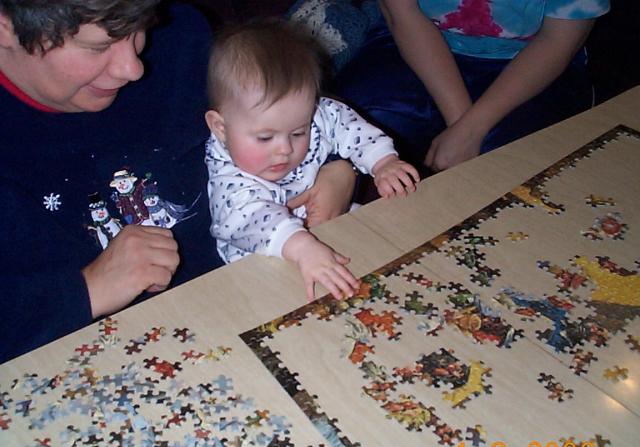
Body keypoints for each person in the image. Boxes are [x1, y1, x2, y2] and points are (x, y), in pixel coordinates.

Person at [0, 0, 356, 363]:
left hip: (267, 292)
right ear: (6, 27)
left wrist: (335, 168)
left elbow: (280, 110)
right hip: (116, 358)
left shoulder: (179, 36)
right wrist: (87, 290)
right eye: (98, 47)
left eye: (137, 30)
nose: (133, 68)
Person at [204, 19, 419, 301]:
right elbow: (248, 218)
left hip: (328, 228)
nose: (285, 149)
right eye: (265, 138)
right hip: (262, 262)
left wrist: (382, 162)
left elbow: (347, 126)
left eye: (298, 132)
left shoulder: (311, 116)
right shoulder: (227, 175)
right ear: (220, 128)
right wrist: (303, 247)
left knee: (394, 246)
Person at [331, 0, 611, 173]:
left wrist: (472, 128)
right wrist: (461, 124)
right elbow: (402, 14)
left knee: (514, 159)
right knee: (349, 126)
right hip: (416, 42)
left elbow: (558, 41)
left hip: (530, 62)